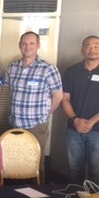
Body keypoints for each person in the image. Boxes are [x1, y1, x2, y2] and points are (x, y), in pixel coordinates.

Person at [6, 32, 63, 183]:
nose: (27, 47)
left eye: (31, 43)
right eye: (24, 43)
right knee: (13, 162)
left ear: (38, 46)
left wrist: (44, 114)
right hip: (14, 124)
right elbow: (10, 92)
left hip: (36, 126)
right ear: (19, 46)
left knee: (36, 164)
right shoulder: (12, 67)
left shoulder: (48, 69)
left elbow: (58, 96)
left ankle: (38, 191)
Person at [62, 35, 99, 184]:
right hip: (74, 130)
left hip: (97, 131)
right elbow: (64, 99)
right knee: (75, 169)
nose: (92, 49)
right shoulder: (72, 71)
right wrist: (75, 120)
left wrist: (91, 122)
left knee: (96, 169)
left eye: (96, 46)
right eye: (88, 46)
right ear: (82, 50)